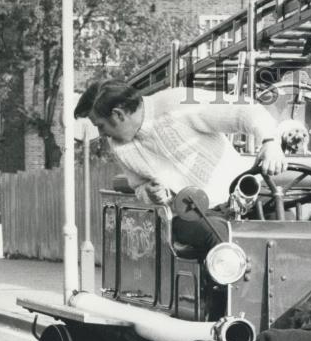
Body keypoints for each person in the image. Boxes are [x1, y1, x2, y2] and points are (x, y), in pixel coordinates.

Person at [73, 80, 288, 251]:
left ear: (118, 114)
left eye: (100, 126)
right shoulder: (119, 145)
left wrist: (270, 142)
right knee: (222, 241)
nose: (101, 135)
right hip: (193, 216)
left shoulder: (176, 102)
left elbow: (244, 110)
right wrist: (151, 193)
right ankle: (227, 304)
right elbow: (139, 188)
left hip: (247, 199)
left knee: (297, 234)